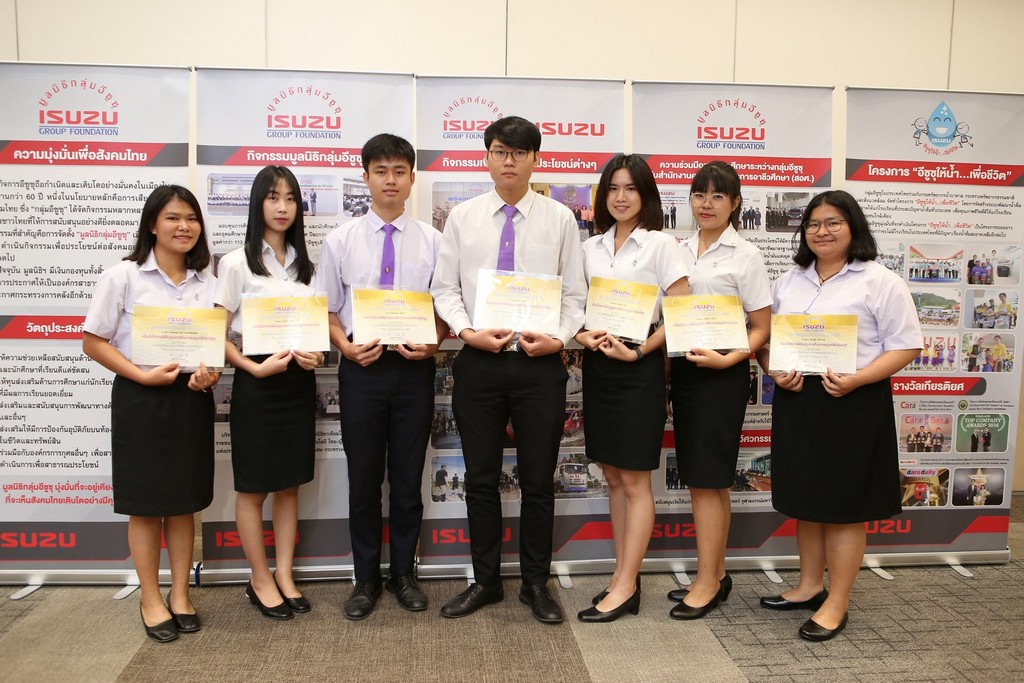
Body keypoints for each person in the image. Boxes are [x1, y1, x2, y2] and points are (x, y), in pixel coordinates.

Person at [431, 116, 586, 624]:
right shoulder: (464, 217)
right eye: (500, 151)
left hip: (539, 365)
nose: (509, 161)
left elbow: (574, 294)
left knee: (538, 481)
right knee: (480, 479)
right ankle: (486, 581)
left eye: (519, 152)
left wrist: (559, 338)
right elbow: (445, 288)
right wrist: (466, 331)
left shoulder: (560, 219)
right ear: (487, 157)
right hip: (479, 362)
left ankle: (536, 584)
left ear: (535, 159)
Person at [756, 190, 921, 642]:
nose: (822, 231)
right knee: (807, 502)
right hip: (799, 402)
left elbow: (906, 345)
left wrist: (858, 379)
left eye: (833, 223)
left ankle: (837, 601)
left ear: (853, 227)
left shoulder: (880, 281)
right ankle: (809, 586)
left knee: (845, 508)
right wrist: (774, 370)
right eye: (813, 224)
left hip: (854, 401)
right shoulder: (789, 281)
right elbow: (767, 341)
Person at [316, 134, 444, 620]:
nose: (390, 180)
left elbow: (445, 307)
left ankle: (404, 575)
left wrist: (434, 342)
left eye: (399, 171)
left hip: (413, 371)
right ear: (366, 177)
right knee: (364, 479)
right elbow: (328, 310)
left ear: (412, 178)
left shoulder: (433, 241)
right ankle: (365, 578)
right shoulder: (340, 241)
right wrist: (344, 346)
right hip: (362, 370)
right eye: (381, 171)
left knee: (408, 479)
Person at [83, 185, 219, 642]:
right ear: (152, 225)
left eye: (191, 218)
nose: (184, 226)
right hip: (140, 398)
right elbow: (93, 342)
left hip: (189, 400)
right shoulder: (122, 276)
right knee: (144, 506)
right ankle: (150, 597)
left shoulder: (208, 282)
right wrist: (141, 376)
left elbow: (211, 349)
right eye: (173, 218)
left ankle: (180, 594)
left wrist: (208, 377)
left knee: (182, 504)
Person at [573, 155, 689, 623]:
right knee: (613, 477)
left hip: (639, 368)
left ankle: (624, 585)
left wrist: (640, 353)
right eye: (613, 188)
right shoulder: (590, 247)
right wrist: (581, 335)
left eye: (631, 189)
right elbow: (574, 306)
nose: (621, 197)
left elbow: (680, 312)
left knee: (636, 480)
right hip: (599, 367)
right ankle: (626, 576)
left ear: (646, 195)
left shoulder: (662, 245)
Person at [215, 166, 322, 621]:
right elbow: (216, 333)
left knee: (289, 485)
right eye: (273, 197)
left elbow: (314, 329)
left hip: (298, 382)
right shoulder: (236, 263)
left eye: (291, 199)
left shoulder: (306, 265)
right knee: (254, 487)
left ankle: (284, 574)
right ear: (258, 203)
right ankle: (259, 579)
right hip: (257, 382)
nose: (282, 207)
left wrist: (316, 356)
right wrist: (251, 368)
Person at [668, 161, 772, 620]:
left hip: (722, 374)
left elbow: (762, 327)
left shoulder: (745, 255)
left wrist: (730, 359)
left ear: (735, 204)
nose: (706, 204)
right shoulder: (677, 249)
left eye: (717, 196)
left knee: (709, 480)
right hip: (684, 371)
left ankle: (708, 582)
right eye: (699, 194)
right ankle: (715, 573)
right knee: (702, 480)